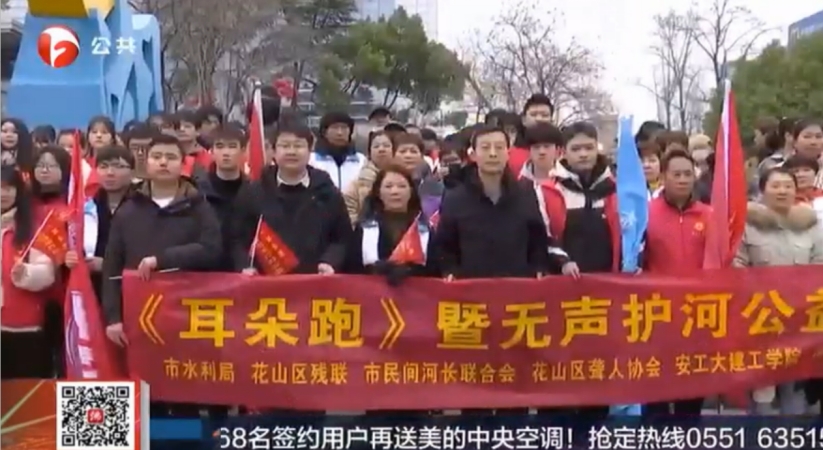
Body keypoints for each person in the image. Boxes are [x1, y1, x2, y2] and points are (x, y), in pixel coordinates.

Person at [101, 133, 222, 347]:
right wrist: (113, 318)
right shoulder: (128, 209)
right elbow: (112, 266)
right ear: (146, 163)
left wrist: (162, 260)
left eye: (171, 157)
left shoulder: (199, 206)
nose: (163, 162)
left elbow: (212, 249)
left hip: (189, 311)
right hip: (140, 312)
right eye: (156, 157)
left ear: (183, 164)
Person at [535, 121, 619, 426]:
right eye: (576, 148)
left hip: (605, 297)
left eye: (588, 147)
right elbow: (541, 235)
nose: (583, 154)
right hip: (561, 295)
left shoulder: (616, 189)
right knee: (558, 369)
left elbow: (630, 233)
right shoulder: (547, 190)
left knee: (598, 370)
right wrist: (562, 261)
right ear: (563, 153)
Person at [733, 167, 823, 415]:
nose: (782, 191)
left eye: (787, 186)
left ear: (796, 190)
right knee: (761, 391)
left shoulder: (810, 226)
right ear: (762, 190)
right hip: (759, 318)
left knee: (794, 389)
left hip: (799, 319)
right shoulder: (746, 224)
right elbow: (737, 265)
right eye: (775, 186)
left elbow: (819, 265)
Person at [642, 149, 711, 421]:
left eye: (687, 174)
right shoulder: (646, 213)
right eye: (676, 174)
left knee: (692, 390)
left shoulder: (709, 215)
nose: (682, 180)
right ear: (663, 177)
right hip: (656, 313)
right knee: (656, 388)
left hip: (698, 314)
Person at [231, 123, 351, 276]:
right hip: (264, 283)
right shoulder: (254, 192)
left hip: (315, 281)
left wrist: (330, 262)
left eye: (298, 146)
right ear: (273, 151)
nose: (292, 151)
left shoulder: (327, 193)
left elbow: (342, 238)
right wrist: (245, 265)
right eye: (285, 146)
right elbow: (237, 238)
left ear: (310, 150)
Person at [1, 165, 57, 379]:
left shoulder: (32, 229)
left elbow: (47, 272)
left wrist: (26, 273)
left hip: (23, 327)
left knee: (26, 392)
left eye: (8, 188)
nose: (2, 193)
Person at [64, 145, 135, 299]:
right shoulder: (87, 207)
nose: (110, 172)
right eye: (103, 166)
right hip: (93, 288)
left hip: (131, 289)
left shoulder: (142, 206)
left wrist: (107, 265)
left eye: (118, 167)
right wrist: (71, 257)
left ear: (132, 171)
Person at [347, 165, 437, 282]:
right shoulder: (365, 229)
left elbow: (435, 270)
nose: (395, 192)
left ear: (411, 191)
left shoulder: (424, 229)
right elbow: (351, 269)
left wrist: (410, 270)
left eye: (402, 186)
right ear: (378, 192)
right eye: (388, 186)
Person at [197, 125, 249, 271]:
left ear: (243, 151)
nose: (226, 153)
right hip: (206, 271)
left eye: (232, 147)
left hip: (245, 270)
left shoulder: (254, 191)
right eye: (220, 147)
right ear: (212, 152)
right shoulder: (197, 191)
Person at [343, 130, 395, 224]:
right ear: (369, 152)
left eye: (386, 146)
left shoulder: (405, 180)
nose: (381, 149)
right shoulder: (355, 186)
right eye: (376, 146)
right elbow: (349, 217)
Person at [309, 112, 367, 190]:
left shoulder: (361, 160)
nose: (340, 133)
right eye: (335, 128)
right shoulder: (311, 160)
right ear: (324, 132)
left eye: (344, 128)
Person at [392, 133, 443, 218]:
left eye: (413, 151)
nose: (408, 156)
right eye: (402, 151)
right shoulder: (384, 181)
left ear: (422, 156)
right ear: (393, 155)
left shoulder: (434, 186)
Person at [509, 95, 554, 174]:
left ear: (551, 121)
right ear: (524, 120)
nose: (539, 119)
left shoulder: (561, 153)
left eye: (544, 115)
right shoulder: (509, 155)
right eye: (533, 115)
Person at [175, 110, 212, 178]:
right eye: (177, 127)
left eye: (187, 126)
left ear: (198, 131)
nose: (181, 129)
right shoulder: (167, 154)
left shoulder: (207, 157)